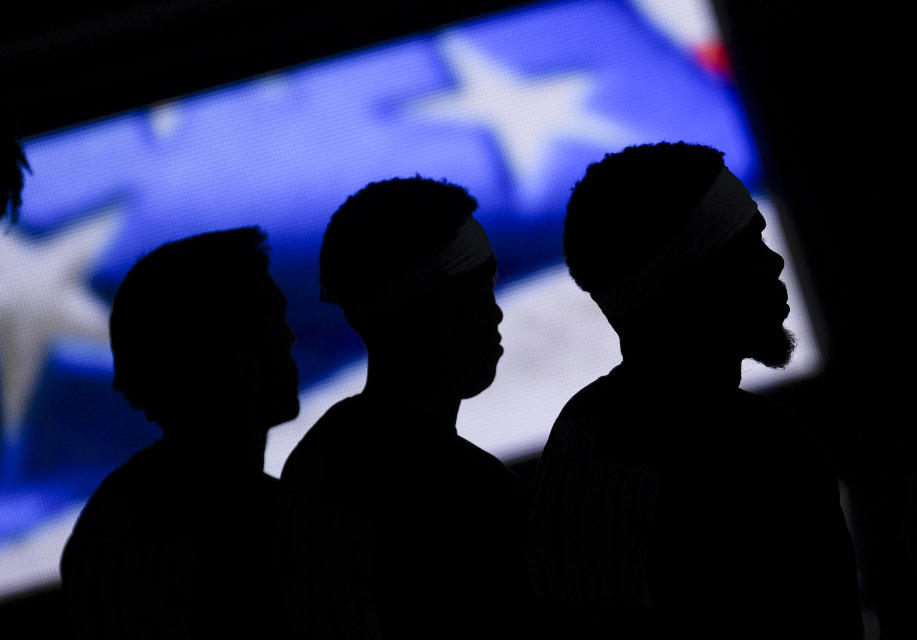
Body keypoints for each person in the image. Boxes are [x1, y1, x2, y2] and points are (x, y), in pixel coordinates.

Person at [527, 142, 863, 638]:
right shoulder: (761, 449)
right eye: (746, 245)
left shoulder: (579, 430)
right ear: (694, 282)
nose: (774, 264)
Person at [281, 177, 526, 639]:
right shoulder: (475, 496)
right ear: (428, 310)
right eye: (478, 287)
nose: (495, 314)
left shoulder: (316, 459)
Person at [60, 227, 300, 638]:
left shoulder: (119, 511)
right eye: (267, 321)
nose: (289, 336)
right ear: (212, 356)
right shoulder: (249, 526)